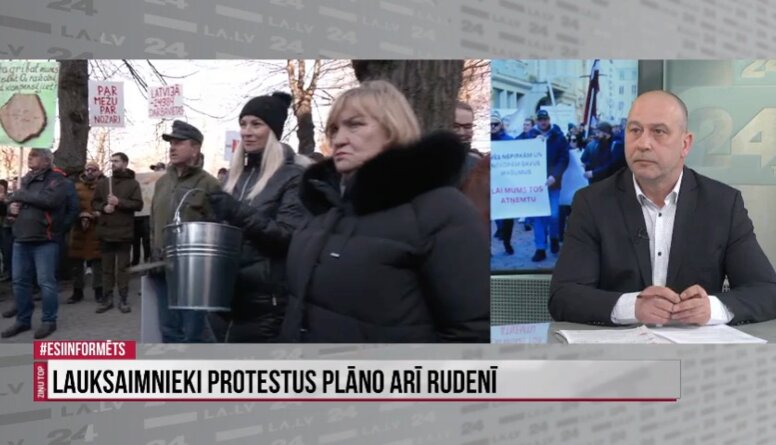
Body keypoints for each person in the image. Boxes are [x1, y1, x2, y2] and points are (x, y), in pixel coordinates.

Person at [281, 80, 489, 343]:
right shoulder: (323, 209)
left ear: (392, 129)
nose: (339, 139)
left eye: (355, 125)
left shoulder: (441, 210)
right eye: (334, 128)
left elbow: (473, 332)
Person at [550, 90, 776, 326]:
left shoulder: (722, 204)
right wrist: (632, 307)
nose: (643, 144)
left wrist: (712, 308)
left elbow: (767, 292)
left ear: (685, 144)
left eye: (658, 132)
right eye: (635, 130)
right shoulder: (592, 202)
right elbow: (563, 296)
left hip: (695, 356)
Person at [207, 91, 308, 343]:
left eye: (256, 124)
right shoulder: (235, 175)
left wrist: (236, 212)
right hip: (226, 298)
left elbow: (286, 237)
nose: (246, 131)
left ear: (272, 130)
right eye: (242, 124)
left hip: (266, 304)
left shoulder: (293, 176)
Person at [150, 120, 221, 343]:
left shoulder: (209, 184)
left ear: (195, 148)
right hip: (163, 267)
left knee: (193, 333)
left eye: (179, 142)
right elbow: (153, 222)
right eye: (171, 142)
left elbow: (217, 229)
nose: (172, 147)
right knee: (169, 329)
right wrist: (154, 251)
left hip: (193, 273)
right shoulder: (161, 182)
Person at [1, 149, 68, 339]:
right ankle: (23, 320)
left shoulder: (57, 179)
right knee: (20, 282)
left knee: (46, 282)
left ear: (47, 161)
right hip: (21, 238)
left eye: (35, 155)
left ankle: (49, 320)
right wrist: (11, 208)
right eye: (29, 155)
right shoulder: (25, 179)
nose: (30, 157)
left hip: (44, 239)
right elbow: (15, 202)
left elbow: (51, 200)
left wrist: (20, 196)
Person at [92, 152, 143, 314]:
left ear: (125, 163)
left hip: (124, 232)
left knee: (122, 268)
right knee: (106, 268)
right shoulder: (104, 183)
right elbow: (95, 202)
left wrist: (119, 202)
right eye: (112, 161)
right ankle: (107, 299)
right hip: (106, 231)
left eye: (117, 161)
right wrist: (103, 207)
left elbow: (138, 205)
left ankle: (123, 298)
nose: (113, 163)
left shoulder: (133, 184)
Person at [529, 109, 569, 262]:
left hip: (553, 183)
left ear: (549, 120)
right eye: (540, 119)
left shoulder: (558, 137)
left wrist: (555, 175)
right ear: (537, 121)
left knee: (554, 215)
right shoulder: (530, 135)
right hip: (535, 185)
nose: (543, 122)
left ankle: (553, 237)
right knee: (538, 217)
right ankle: (540, 248)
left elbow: (563, 159)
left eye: (545, 119)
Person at [67, 161, 104, 304]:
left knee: (97, 263)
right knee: (77, 262)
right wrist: (80, 216)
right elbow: (70, 206)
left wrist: (94, 215)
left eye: (93, 169)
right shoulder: (75, 187)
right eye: (87, 169)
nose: (89, 171)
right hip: (79, 230)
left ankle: (99, 292)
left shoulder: (103, 187)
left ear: (98, 172)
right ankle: (77, 292)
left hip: (96, 229)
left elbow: (105, 206)